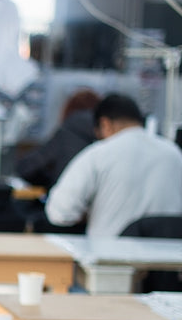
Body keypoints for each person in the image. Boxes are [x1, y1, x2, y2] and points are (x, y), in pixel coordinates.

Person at [44, 92, 182, 236]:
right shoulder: (174, 154)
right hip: (168, 249)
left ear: (105, 124)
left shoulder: (98, 154)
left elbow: (60, 213)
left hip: (109, 248)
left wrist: (89, 211)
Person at [14, 87, 100, 191]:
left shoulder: (67, 133)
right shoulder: (107, 136)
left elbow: (27, 167)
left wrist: (51, 182)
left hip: (66, 195)